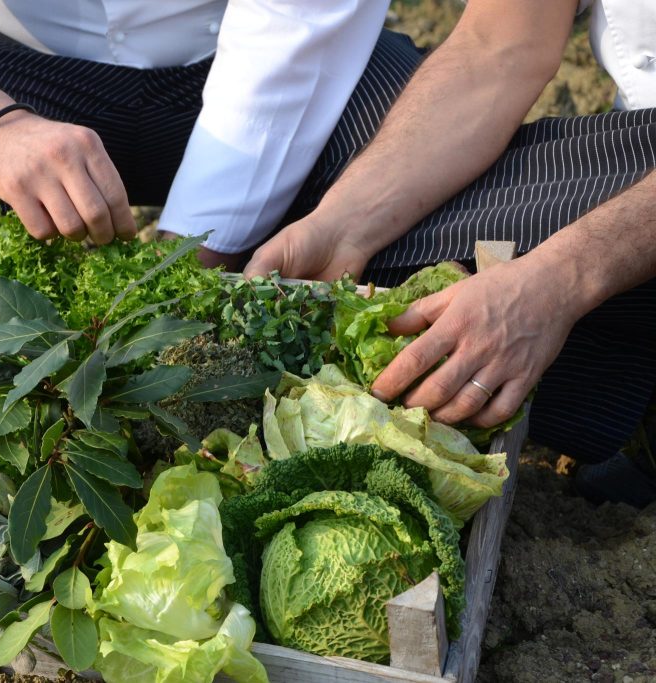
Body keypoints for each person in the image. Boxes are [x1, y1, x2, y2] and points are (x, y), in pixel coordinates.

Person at [245, 0, 656, 507]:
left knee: (487, 317)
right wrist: (343, 226)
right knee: (391, 260)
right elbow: (496, 47)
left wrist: (559, 282)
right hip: (635, 143)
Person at [0, 0, 402, 267]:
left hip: (248, 57)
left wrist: (181, 267)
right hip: (26, 69)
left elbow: (299, 22)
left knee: (427, 155)